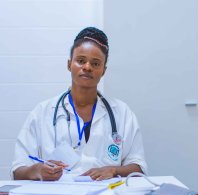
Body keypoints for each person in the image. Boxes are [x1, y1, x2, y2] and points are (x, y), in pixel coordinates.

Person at [11, 27, 147, 181]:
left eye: (95, 63)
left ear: (103, 70)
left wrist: (113, 170)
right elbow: (18, 170)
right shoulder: (42, 112)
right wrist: (36, 170)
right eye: (81, 61)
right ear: (69, 64)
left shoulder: (122, 113)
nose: (87, 67)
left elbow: (138, 167)